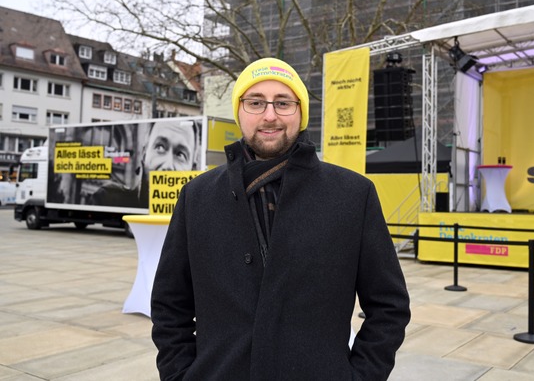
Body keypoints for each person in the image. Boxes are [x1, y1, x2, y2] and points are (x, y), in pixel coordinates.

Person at [151, 58, 411, 380]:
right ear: (240, 112)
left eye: (283, 103)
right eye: (256, 102)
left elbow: (389, 306)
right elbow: (169, 305)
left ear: (300, 113)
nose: (270, 115)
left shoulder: (354, 195)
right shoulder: (197, 197)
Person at [90, 120, 199, 208]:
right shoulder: (107, 199)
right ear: (144, 153)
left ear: (193, 169)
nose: (168, 166)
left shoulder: (195, 216)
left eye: (180, 155)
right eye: (160, 147)